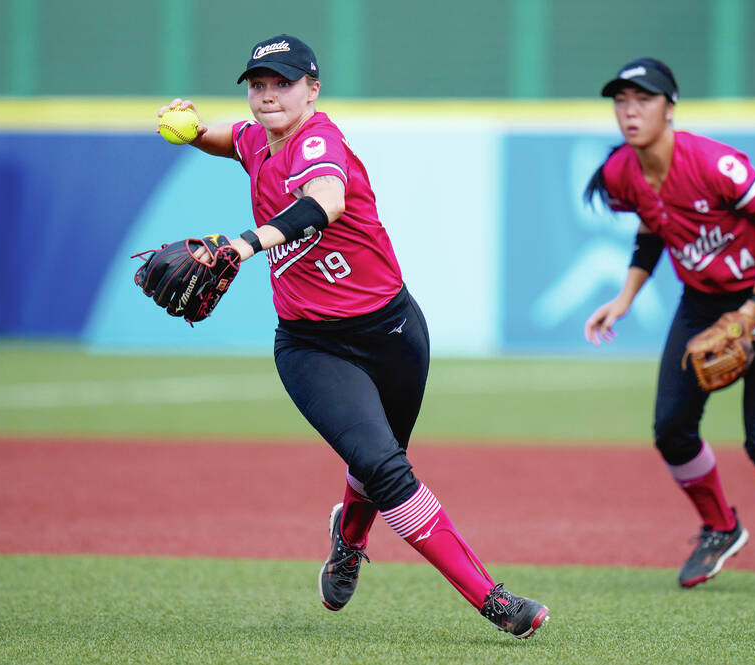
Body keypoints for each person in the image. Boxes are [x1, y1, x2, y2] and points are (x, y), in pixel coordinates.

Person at [157, 34, 550, 635]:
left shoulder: (318, 140)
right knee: (387, 468)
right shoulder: (255, 137)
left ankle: (349, 536)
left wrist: (241, 244)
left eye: (282, 83)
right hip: (311, 345)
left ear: (312, 89)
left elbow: (326, 201)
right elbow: (227, 139)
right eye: (257, 85)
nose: (267, 96)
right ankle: (494, 601)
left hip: (393, 331)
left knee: (380, 461)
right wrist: (193, 131)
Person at [582, 57, 755, 594]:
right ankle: (721, 527)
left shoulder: (714, 165)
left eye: (643, 100)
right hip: (703, 299)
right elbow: (652, 226)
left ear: (670, 108)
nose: (630, 111)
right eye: (621, 101)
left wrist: (753, 309)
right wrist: (624, 297)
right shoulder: (624, 170)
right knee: (671, 430)